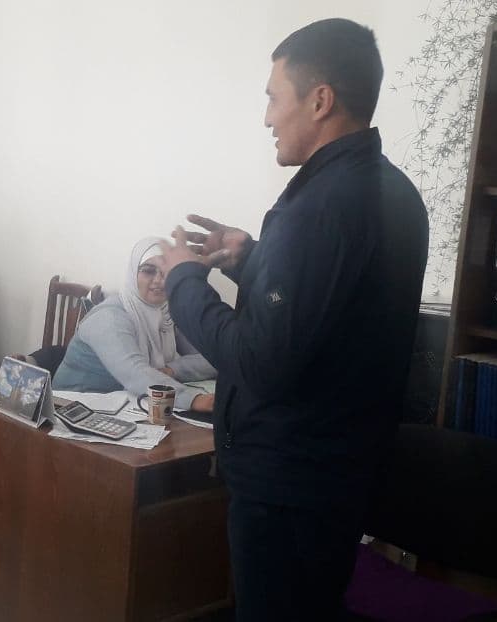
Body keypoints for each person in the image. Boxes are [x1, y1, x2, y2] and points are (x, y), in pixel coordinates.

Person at [156, 19, 428, 620]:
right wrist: (253, 258)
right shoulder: (395, 193)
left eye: (274, 98)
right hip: (339, 476)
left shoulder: (319, 207)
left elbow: (260, 361)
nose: (267, 118)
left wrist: (184, 280)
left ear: (320, 100)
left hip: (288, 486)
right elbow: (332, 313)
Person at [53, 237, 215, 412]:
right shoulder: (109, 318)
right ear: (133, 273)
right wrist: (194, 400)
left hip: (127, 404)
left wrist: (172, 370)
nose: (159, 280)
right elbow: (135, 373)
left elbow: (211, 358)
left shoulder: (166, 313)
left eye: (166, 272)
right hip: (75, 407)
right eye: (148, 271)